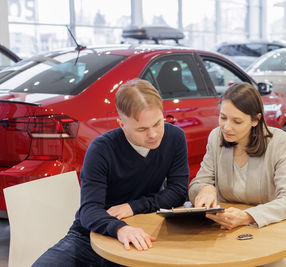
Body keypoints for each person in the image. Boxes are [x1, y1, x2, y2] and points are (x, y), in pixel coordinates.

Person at [33, 78, 189, 266]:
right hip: (90, 235)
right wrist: (120, 229)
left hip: (143, 231)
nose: (153, 134)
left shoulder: (175, 138)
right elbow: (89, 210)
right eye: (142, 129)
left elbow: (179, 192)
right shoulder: (101, 149)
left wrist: (133, 206)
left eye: (157, 123)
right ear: (122, 125)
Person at [188, 82, 286, 266]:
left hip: (266, 235)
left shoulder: (279, 142)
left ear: (255, 120)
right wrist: (205, 188)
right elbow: (196, 185)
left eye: (237, 121)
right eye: (223, 117)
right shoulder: (216, 137)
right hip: (223, 235)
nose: (226, 127)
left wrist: (248, 216)